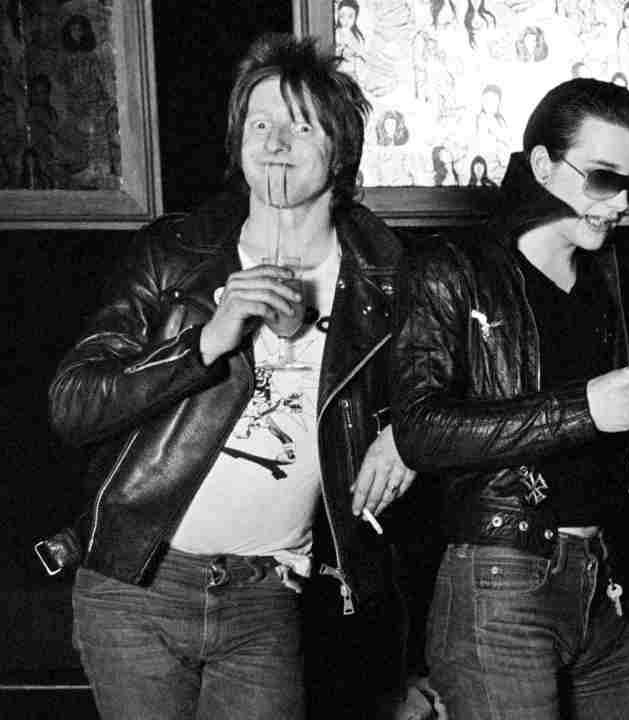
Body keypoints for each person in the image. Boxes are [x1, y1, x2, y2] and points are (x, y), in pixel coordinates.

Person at [41, 34, 415, 720]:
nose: (275, 142)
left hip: (266, 596)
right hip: (138, 586)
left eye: (301, 125)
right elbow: (74, 404)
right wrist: (206, 341)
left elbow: (433, 396)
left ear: (341, 150)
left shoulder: (385, 275)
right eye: (260, 123)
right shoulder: (176, 253)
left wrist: (402, 441)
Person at [392, 77, 629, 719]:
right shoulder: (451, 267)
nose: (620, 203)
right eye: (601, 179)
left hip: (596, 581)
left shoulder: (609, 278)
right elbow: (419, 432)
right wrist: (589, 405)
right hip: (499, 581)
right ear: (541, 165)